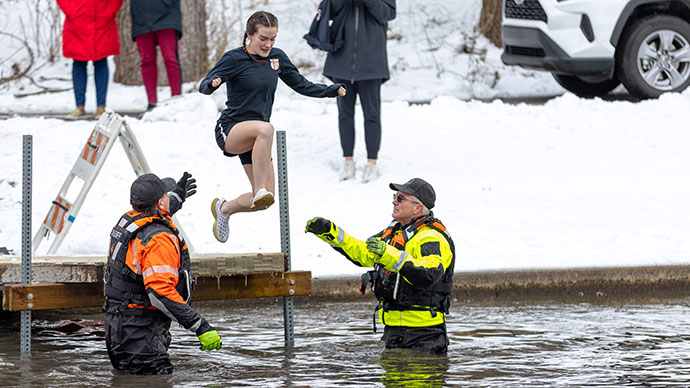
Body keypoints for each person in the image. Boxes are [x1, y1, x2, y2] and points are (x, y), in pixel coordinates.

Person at [199, 11, 346, 244]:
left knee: (266, 201)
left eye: (273, 38)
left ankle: (224, 209)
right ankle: (259, 190)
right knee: (267, 130)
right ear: (249, 35)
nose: (268, 44)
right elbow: (205, 85)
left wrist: (330, 90)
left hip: (258, 140)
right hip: (232, 129)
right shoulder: (234, 58)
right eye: (263, 39)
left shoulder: (276, 58)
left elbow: (301, 85)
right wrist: (212, 83)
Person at [305, 178, 455, 354]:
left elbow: (428, 274)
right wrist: (331, 233)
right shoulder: (394, 232)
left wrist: (388, 255)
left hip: (424, 335)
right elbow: (364, 254)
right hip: (395, 332)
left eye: (400, 198)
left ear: (417, 207)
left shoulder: (430, 237)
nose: (394, 201)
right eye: (395, 196)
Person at [104, 172, 222, 374]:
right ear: (160, 203)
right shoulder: (159, 240)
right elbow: (160, 293)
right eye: (166, 195)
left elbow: (155, 215)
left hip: (119, 324)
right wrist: (200, 326)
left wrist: (176, 197)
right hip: (140, 333)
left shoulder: (128, 220)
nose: (169, 197)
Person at [323, 0, 396, 182]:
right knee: (344, 114)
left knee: (372, 114)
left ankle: (372, 163)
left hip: (371, 64)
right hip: (342, 61)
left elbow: (388, 14)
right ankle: (348, 161)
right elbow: (330, 12)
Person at [58, 0, 122, 118]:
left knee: (101, 62)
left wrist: (109, 11)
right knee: (78, 63)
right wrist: (71, 11)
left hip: (102, 20)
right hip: (77, 22)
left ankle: (101, 107)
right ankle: (79, 106)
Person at [130, 0, 183, 112]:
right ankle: (151, 103)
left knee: (170, 59)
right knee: (147, 61)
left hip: (168, 16)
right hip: (141, 19)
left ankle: (176, 100)